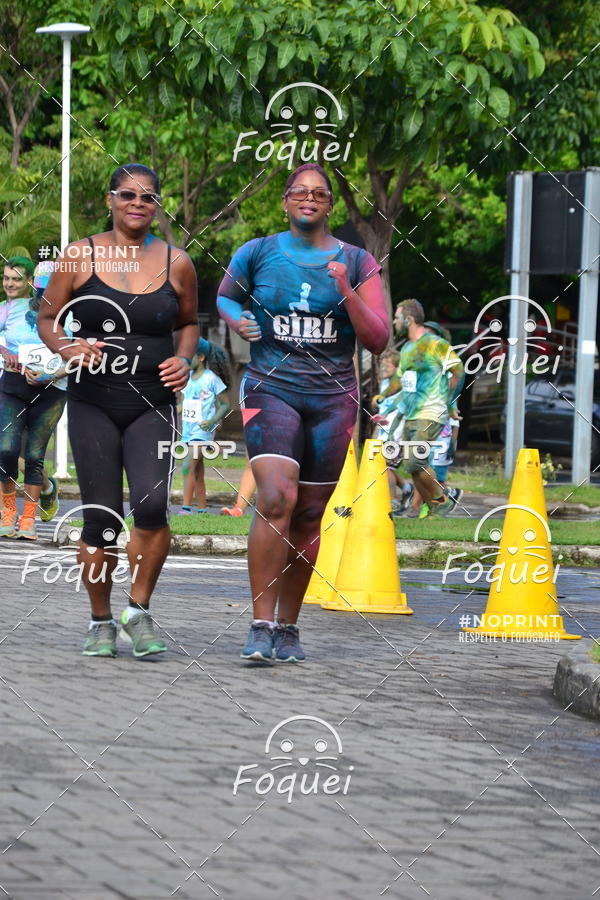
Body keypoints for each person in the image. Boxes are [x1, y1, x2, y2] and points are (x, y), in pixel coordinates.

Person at [217, 162, 389, 663]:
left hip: (334, 399)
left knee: (310, 515)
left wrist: (347, 291)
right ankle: (260, 622)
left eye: (319, 193)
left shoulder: (358, 261)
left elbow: (377, 339)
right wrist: (240, 320)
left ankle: (288, 627)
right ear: (286, 201)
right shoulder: (257, 252)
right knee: (274, 499)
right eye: (300, 192)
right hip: (272, 389)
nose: (309, 199)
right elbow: (225, 298)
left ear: (330, 204)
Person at [38, 163, 199, 659]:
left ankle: (139, 610)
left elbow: (189, 323)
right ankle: (100, 620)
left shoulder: (178, 262)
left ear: (157, 206)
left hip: (152, 402)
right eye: (127, 194)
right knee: (101, 520)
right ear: (110, 199)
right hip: (93, 403)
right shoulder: (78, 256)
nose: (137, 203)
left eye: (148, 197)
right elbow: (47, 317)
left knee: (151, 508)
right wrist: (65, 348)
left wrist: (184, 359)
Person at [375, 299, 464, 516]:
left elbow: (458, 371)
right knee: (410, 464)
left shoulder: (436, 344)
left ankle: (443, 499)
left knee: (416, 460)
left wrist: (449, 402)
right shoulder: (406, 349)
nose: (394, 322)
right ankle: (435, 506)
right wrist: (382, 396)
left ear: (409, 319)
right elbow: (399, 380)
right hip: (411, 414)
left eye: (396, 318)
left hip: (432, 412)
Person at [0, 257, 67, 540]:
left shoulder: (70, 316)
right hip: (13, 386)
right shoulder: (10, 310)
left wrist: (49, 376)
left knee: (35, 455)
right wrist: (7, 355)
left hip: (51, 391)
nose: (45, 293)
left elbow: (78, 357)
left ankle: (28, 519)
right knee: (5, 449)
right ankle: (7, 514)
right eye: (41, 288)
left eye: (51, 288)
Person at [180, 338, 230, 514]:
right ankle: (202, 510)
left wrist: (212, 421)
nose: (185, 360)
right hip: (188, 431)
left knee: (187, 466)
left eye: (189, 357)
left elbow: (225, 404)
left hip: (202, 431)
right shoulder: (188, 379)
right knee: (197, 472)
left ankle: (185, 509)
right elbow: (185, 403)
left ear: (200, 357)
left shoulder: (211, 379)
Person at [371, 349, 413, 513]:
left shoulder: (401, 383)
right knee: (384, 467)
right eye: (382, 365)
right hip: (384, 433)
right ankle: (406, 487)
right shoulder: (385, 384)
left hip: (396, 434)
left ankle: (393, 500)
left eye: (387, 366)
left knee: (386, 468)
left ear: (397, 368)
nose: (383, 368)